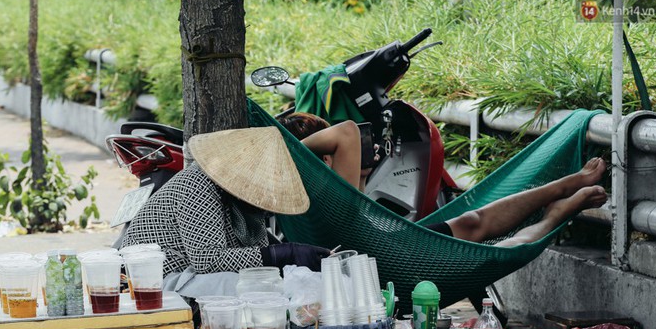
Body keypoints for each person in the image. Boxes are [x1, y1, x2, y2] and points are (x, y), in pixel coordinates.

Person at [279, 111, 608, 247]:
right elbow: (348, 132)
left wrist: (362, 173)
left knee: (474, 220)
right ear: (322, 155)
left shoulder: (317, 189)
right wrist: (286, 148)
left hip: (389, 241)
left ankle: (564, 186)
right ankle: (559, 210)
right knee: (499, 248)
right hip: (390, 255)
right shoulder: (315, 179)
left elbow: (359, 217)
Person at [122, 126, 330, 279]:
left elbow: (254, 248)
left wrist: (293, 253)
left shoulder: (241, 201)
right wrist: (284, 253)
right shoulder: (198, 185)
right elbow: (209, 260)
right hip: (154, 279)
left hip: (189, 273)